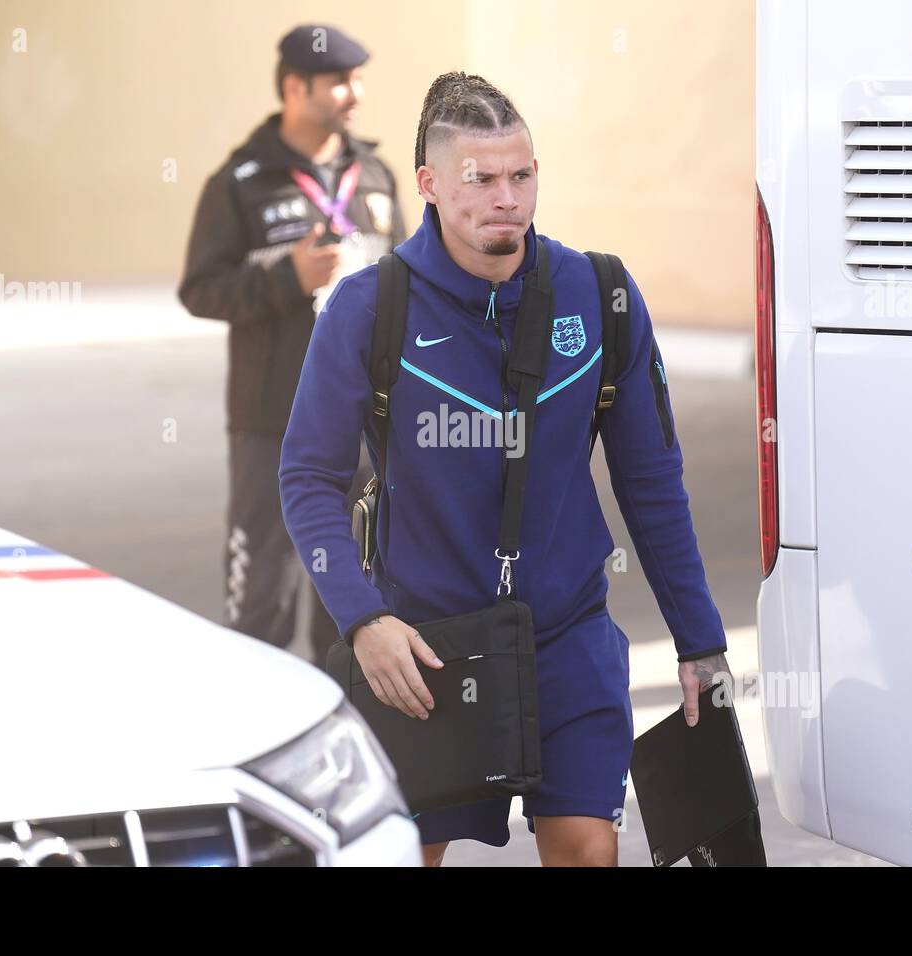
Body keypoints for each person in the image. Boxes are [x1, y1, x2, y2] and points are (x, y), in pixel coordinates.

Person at [279, 72, 731, 867]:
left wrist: (700, 642)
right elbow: (307, 479)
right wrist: (363, 619)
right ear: (429, 184)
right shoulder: (366, 308)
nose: (507, 198)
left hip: (568, 637)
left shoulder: (603, 297)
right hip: (424, 651)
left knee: (589, 851)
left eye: (521, 175)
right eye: (480, 179)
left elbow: (652, 481)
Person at [178, 24, 406, 669]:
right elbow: (200, 290)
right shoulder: (240, 182)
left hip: (368, 425)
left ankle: (358, 741)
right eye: (339, 81)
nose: (354, 93)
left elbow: (415, 286)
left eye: (357, 78)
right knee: (260, 606)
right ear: (293, 88)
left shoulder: (378, 176)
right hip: (270, 424)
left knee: (360, 601)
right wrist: (287, 280)